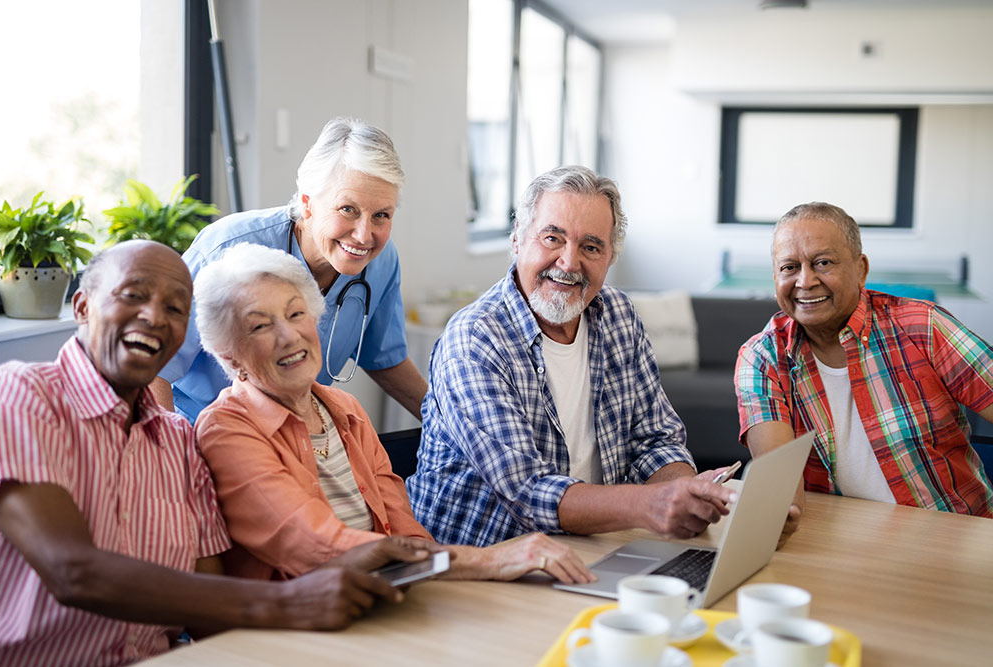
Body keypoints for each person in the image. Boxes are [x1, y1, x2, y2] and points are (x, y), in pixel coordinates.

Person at [0, 241, 441, 666]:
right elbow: (73, 572)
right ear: (81, 307)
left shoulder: (176, 440)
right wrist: (287, 602)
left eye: (175, 308)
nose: (155, 316)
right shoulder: (23, 394)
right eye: (133, 295)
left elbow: (209, 606)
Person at [190, 242, 594, 584]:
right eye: (260, 327)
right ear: (230, 356)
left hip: (383, 597)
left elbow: (405, 530)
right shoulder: (227, 430)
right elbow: (315, 545)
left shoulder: (344, 409)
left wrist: (438, 568)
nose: (288, 335)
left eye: (296, 314)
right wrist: (484, 560)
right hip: (297, 626)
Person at [405, 165, 737, 547]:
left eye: (590, 247)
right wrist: (651, 504)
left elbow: (656, 441)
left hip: (591, 546)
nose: (568, 262)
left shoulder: (619, 316)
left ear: (610, 257)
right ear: (517, 240)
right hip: (480, 560)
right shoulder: (474, 341)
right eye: (553, 238)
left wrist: (686, 493)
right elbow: (528, 491)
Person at [735, 202, 993, 544]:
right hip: (838, 544)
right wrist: (772, 513)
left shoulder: (925, 327)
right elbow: (779, 486)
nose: (805, 281)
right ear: (775, 278)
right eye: (789, 267)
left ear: (861, 269)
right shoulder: (761, 358)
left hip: (955, 538)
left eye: (823, 263)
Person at [152, 117, 427, 424]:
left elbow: (385, 359)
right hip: (201, 430)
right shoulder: (224, 250)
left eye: (381, 215)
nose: (364, 235)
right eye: (348, 209)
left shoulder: (381, 262)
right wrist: (173, 447)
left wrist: (449, 421)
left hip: (294, 432)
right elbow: (154, 367)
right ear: (307, 203)